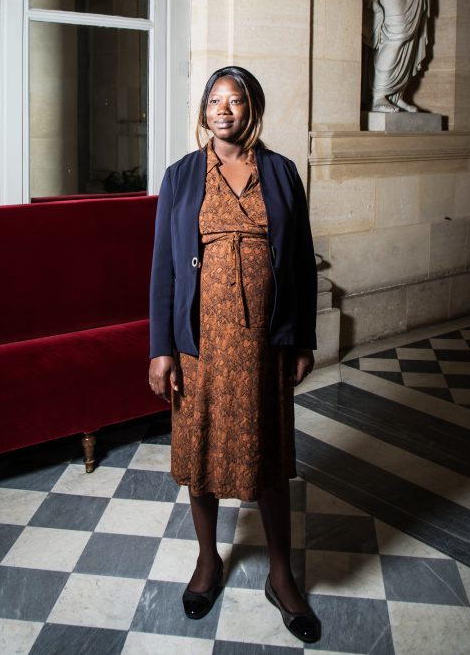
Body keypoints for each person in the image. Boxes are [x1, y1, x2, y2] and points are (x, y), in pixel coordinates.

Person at [148, 65, 321, 644]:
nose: (224, 110)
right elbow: (164, 270)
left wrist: (303, 337)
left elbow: (299, 261)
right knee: (199, 448)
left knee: (268, 450)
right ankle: (207, 560)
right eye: (215, 101)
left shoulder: (281, 173)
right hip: (199, 343)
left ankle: (281, 574)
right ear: (203, 113)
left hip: (264, 342)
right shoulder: (180, 177)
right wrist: (161, 350)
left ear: (253, 109)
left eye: (236, 100)